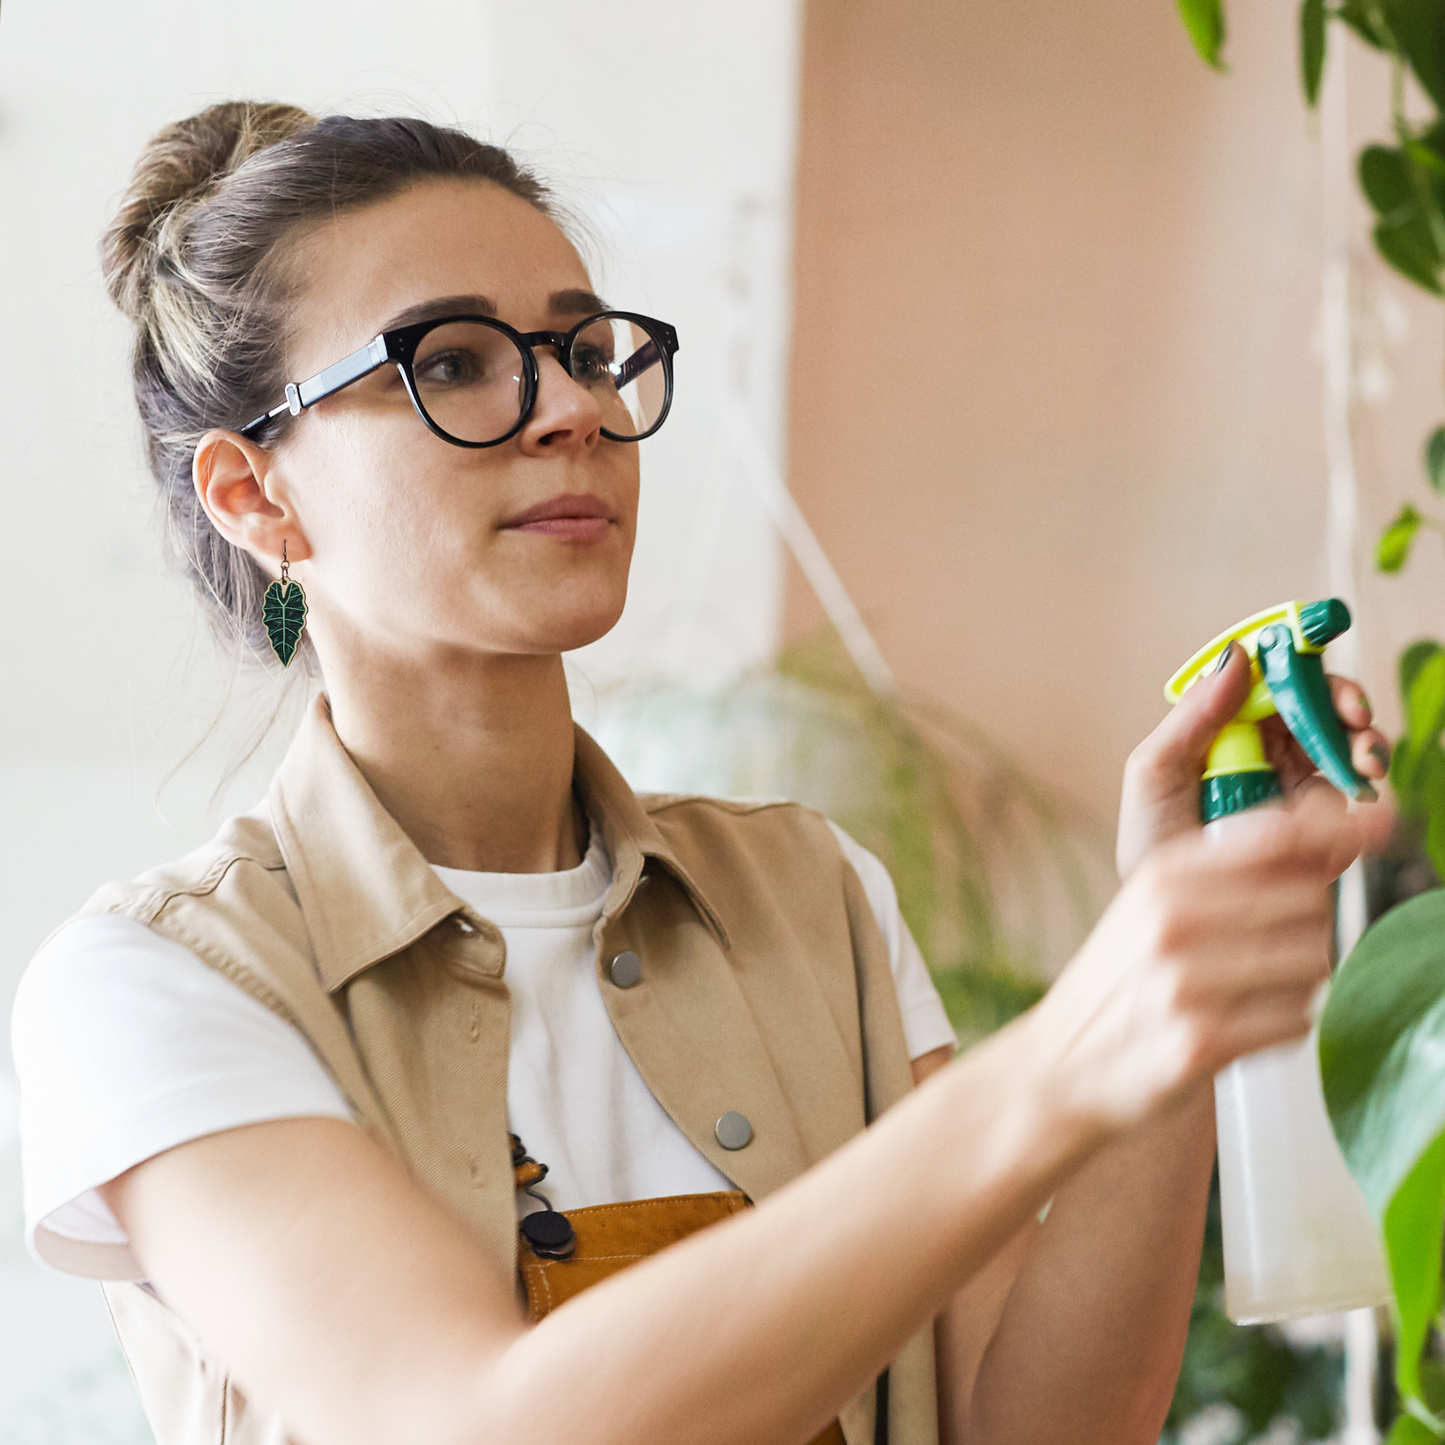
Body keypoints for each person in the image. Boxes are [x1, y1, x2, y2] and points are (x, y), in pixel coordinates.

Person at [10, 102, 1391, 1445]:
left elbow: (1041, 1428)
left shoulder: (808, 895)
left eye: (585, 349)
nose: (571, 410)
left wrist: (1175, 972)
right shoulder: (155, 989)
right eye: (453, 362)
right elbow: (478, 1425)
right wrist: (1065, 1059)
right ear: (255, 495)